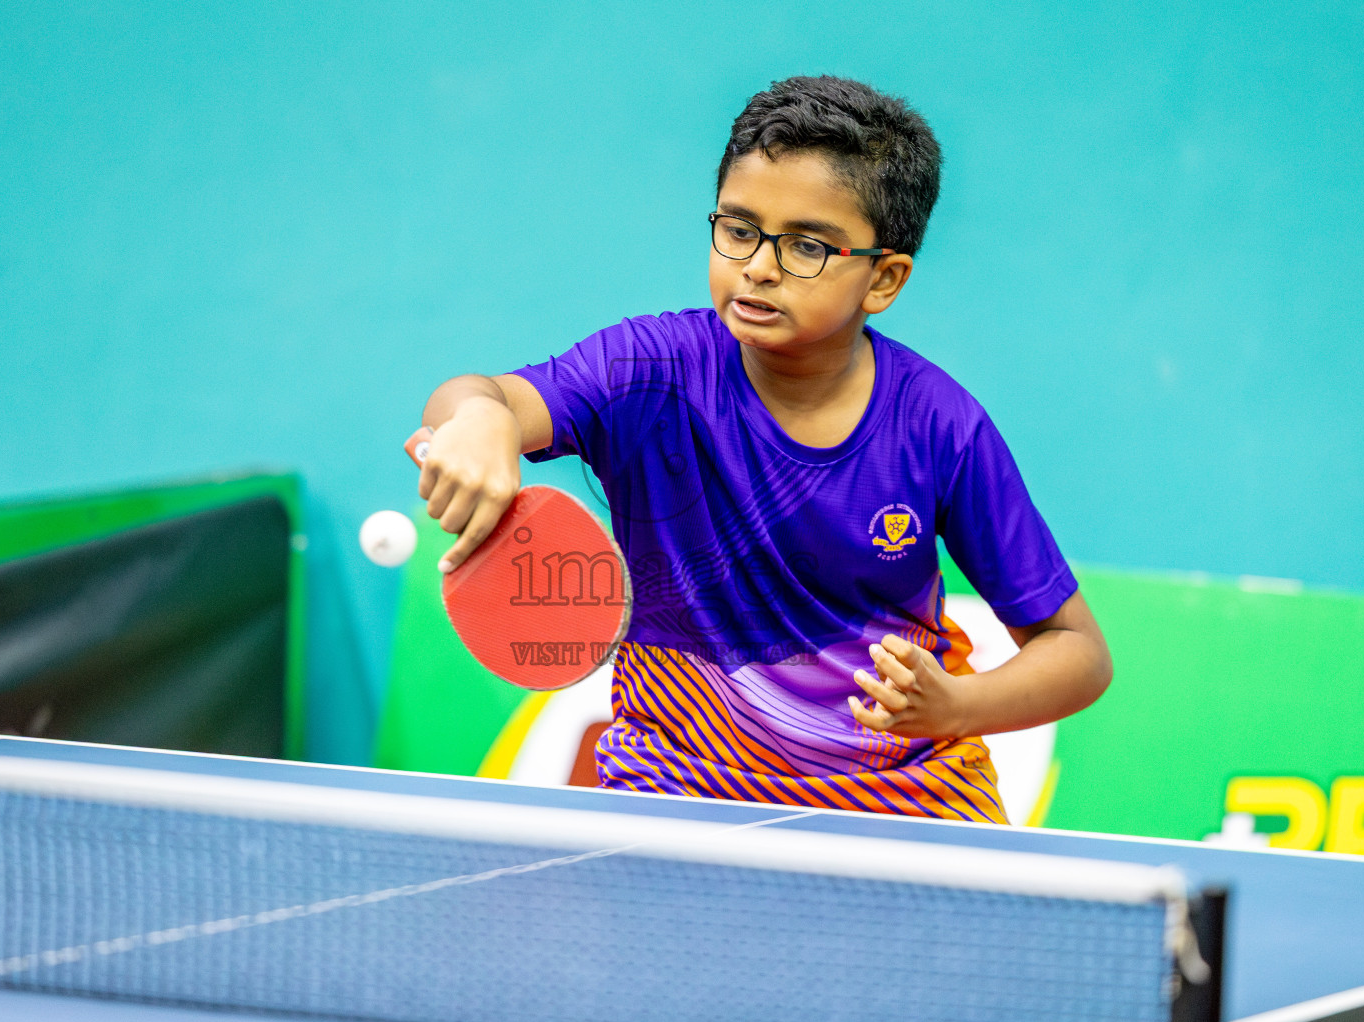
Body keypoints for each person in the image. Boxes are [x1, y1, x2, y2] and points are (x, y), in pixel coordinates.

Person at [411, 75, 1111, 822]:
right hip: (674, 799)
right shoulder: (648, 372)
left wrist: (954, 706)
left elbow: (1076, 651)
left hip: (908, 802)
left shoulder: (938, 425)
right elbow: (483, 397)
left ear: (883, 279)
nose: (759, 265)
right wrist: (479, 421)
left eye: (806, 246)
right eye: (740, 229)